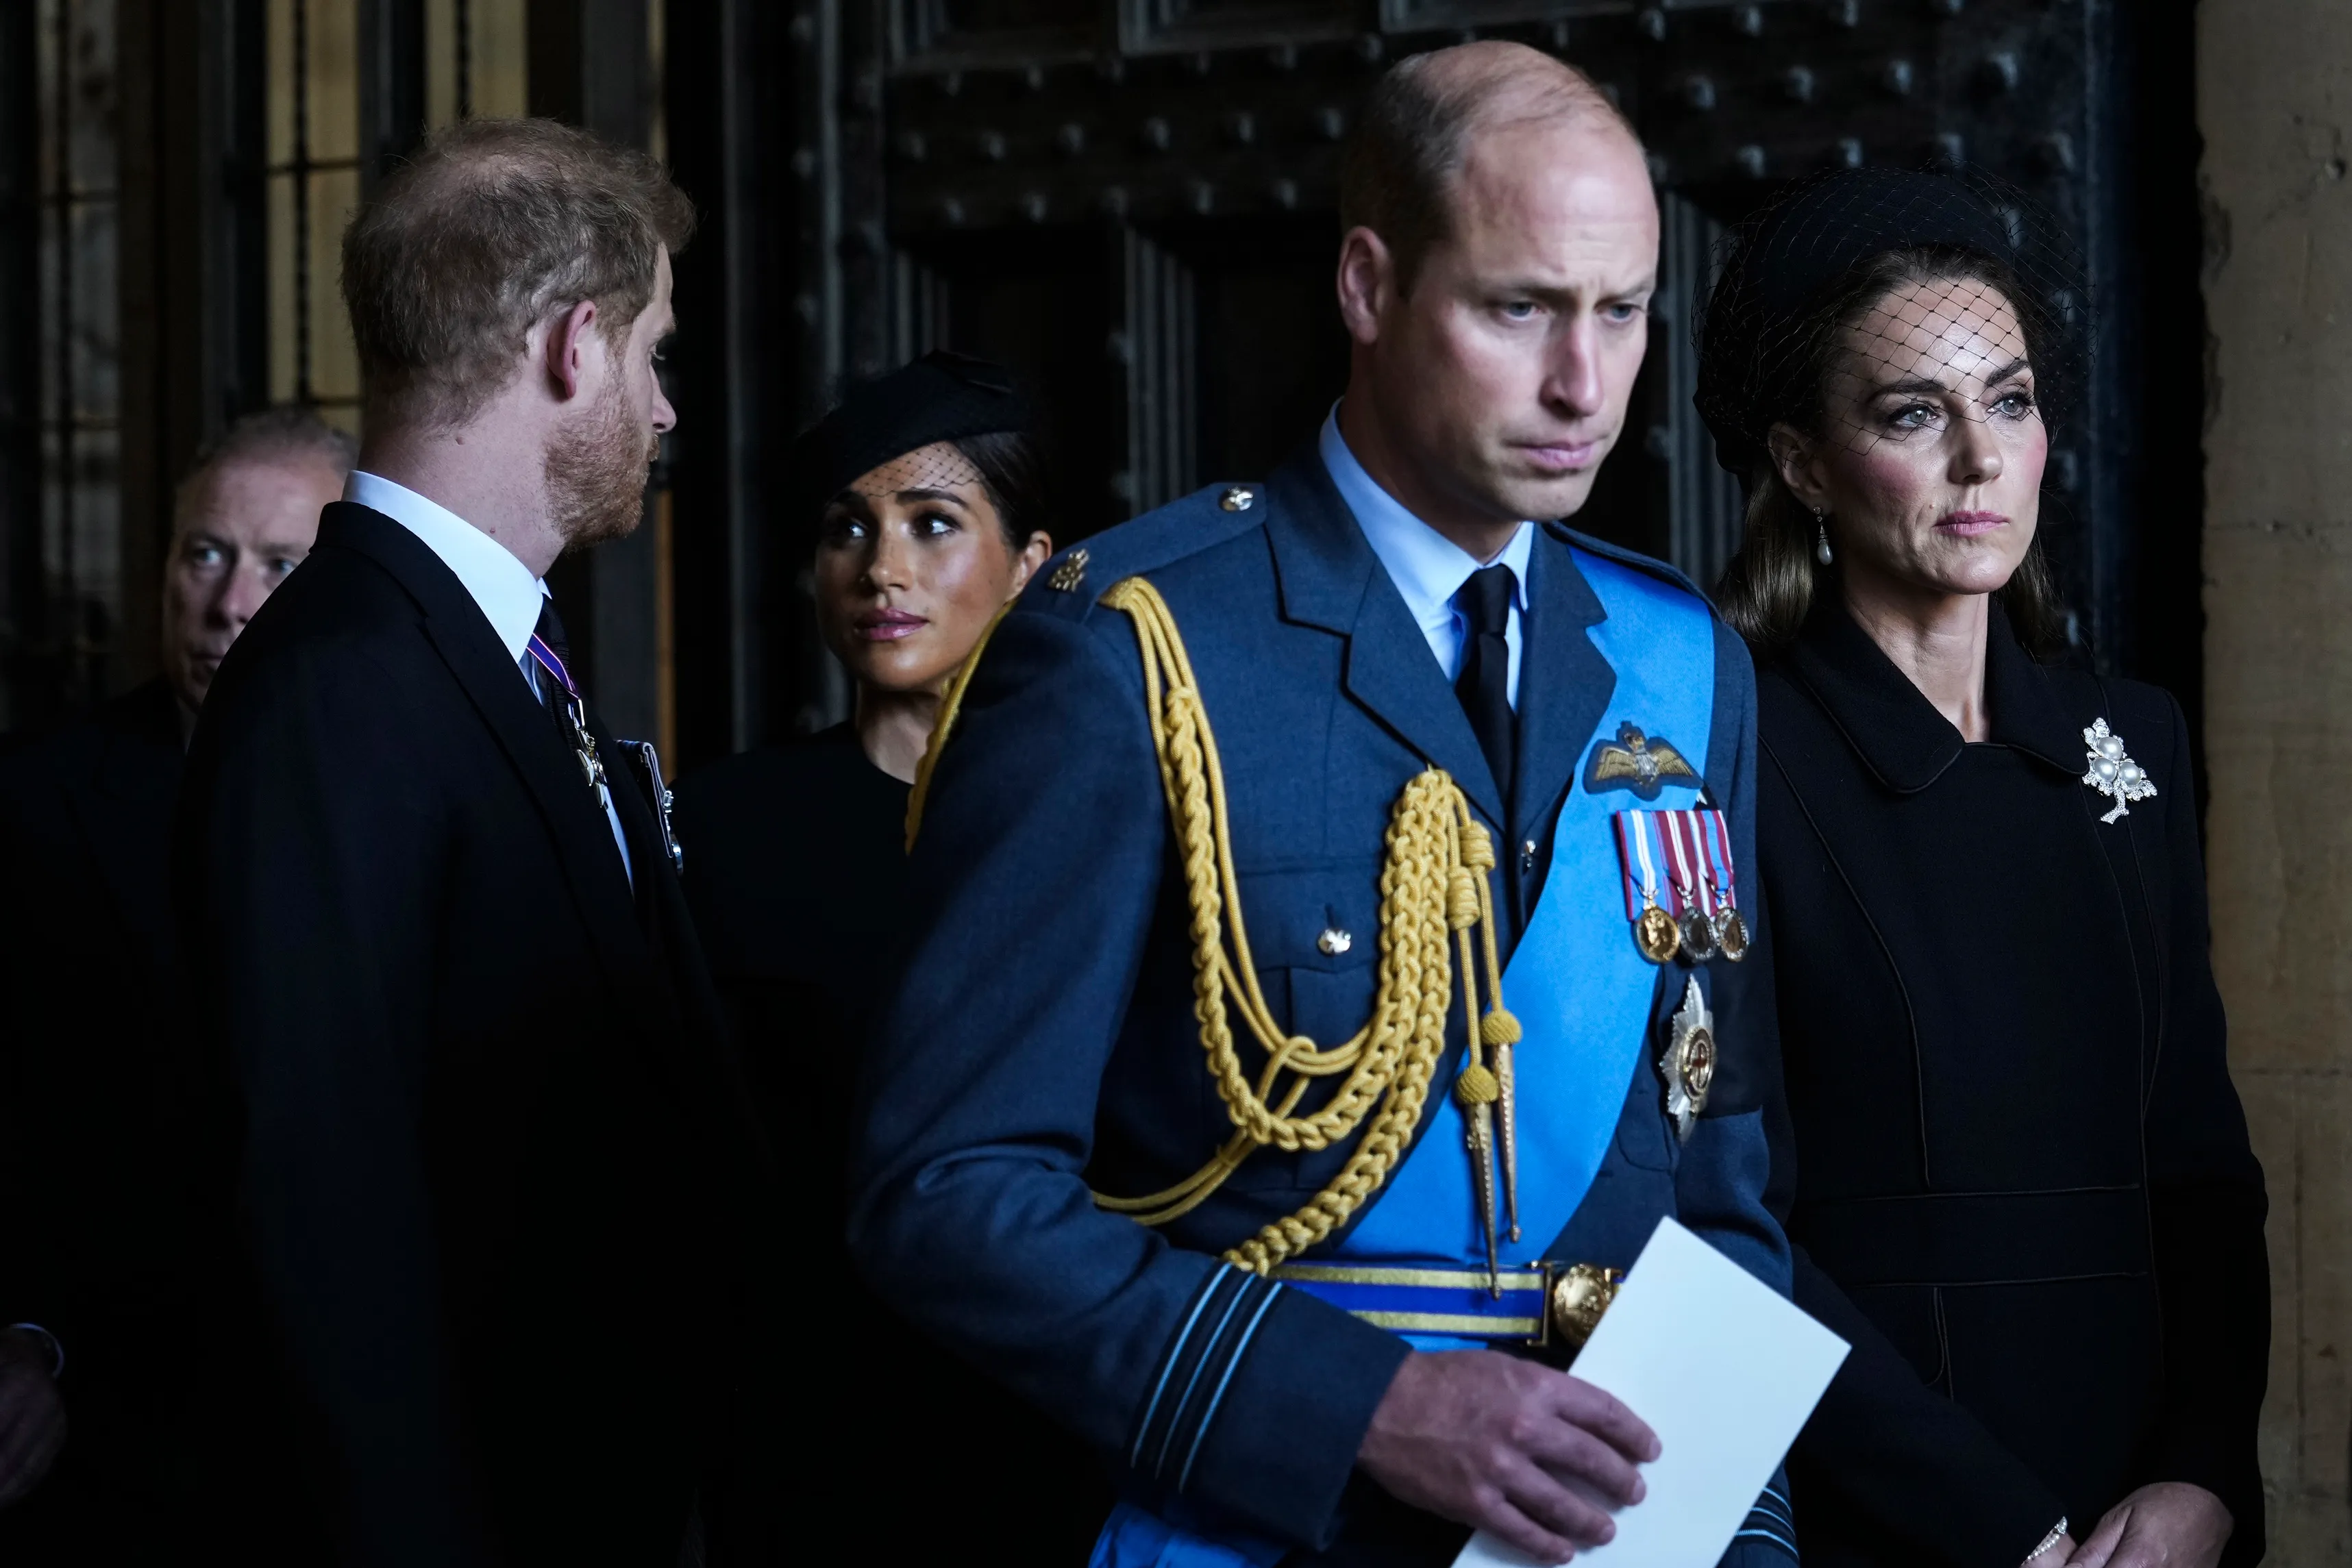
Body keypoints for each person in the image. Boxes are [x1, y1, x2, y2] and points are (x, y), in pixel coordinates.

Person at [850, 42, 1798, 1567]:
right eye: (1521, 309)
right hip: (1256, 1524)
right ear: (1367, 287)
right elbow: (947, 1194)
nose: (1586, 382)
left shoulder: (1682, 664)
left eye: (1622, 313)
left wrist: (1734, 1535)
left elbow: (1726, 1182)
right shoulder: (1131, 652)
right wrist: (1365, 1405)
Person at [173, 118, 780, 1565]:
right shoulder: (341, 686)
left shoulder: (489, 649)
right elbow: (324, 1220)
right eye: (654, 357)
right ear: (575, 347)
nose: (666, 409)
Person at [1700, 167, 2268, 1568]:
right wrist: (1999, 1527)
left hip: (2148, 1514)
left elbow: (2199, 1164)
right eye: (1914, 414)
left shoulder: (2127, 739)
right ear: (1804, 461)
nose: (1980, 460)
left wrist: (2203, 1476)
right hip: (1880, 1504)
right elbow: (1725, 1219)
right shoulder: (1726, 750)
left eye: (2009, 403)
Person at [671, 348, 1092, 1558]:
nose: (882, 569)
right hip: (806, 1444)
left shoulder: (1114, 832)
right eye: (848, 528)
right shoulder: (722, 831)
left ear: (1030, 566)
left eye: (933, 523)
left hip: (1052, 1432)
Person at [0, 408, 349, 1561]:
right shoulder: (39, 807)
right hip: (110, 1431)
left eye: (281, 565)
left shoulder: (400, 803)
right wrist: (24, 1334)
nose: (230, 602)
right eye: (205, 553)